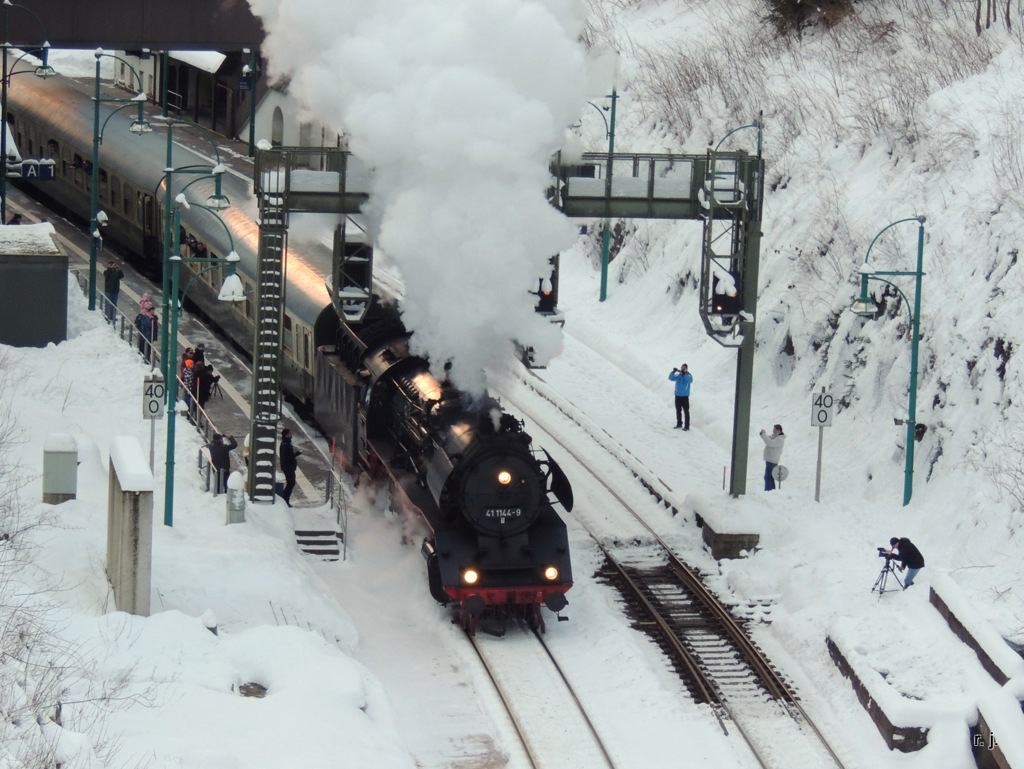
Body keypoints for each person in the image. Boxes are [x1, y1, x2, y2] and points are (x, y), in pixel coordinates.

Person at [278, 428, 302, 508]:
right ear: (286, 435)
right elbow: (287, 457)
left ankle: (285, 499)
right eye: (290, 433)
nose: (291, 435)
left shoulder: (286, 443)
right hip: (288, 467)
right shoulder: (285, 444)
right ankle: (285, 499)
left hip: (289, 467)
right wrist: (297, 454)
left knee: (291, 483)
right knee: (291, 483)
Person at [760, 424, 785, 490]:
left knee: (768, 477)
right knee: (770, 477)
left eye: (774, 429)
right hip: (770, 460)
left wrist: (764, 435)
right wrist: (763, 434)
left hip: (772, 461)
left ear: (778, 430)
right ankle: (771, 491)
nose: (773, 431)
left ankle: (769, 491)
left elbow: (770, 443)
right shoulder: (775, 437)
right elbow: (768, 439)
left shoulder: (780, 439)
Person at [668, 363, 693, 430]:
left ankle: (687, 426)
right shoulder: (679, 375)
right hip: (677, 396)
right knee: (678, 411)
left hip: (685, 397)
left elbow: (690, 380)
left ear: (686, 369)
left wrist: (684, 374)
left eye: (684, 368)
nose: (682, 369)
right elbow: (671, 378)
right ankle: (679, 424)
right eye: (682, 368)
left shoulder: (688, 375)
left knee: (686, 412)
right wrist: (673, 372)